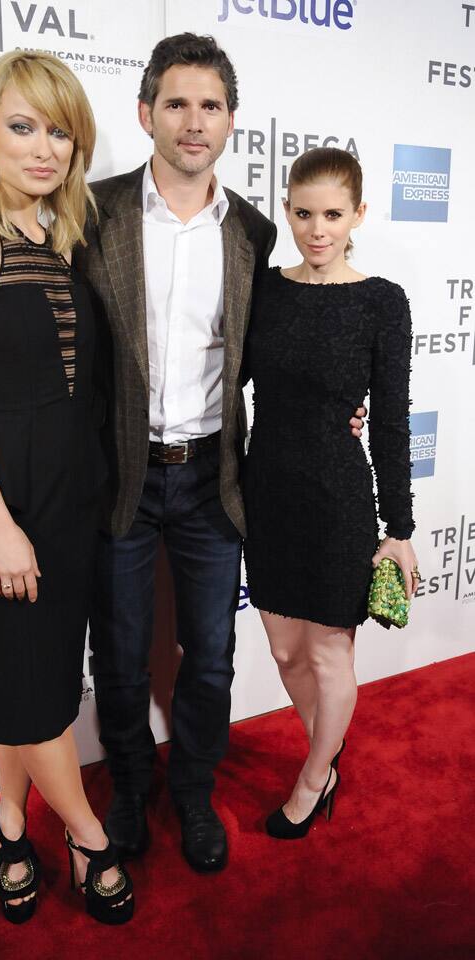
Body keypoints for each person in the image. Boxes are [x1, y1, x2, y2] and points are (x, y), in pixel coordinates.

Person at [78, 35, 367, 872]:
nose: (193, 121)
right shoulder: (92, 216)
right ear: (146, 114)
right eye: (176, 103)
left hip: (214, 479)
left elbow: (286, 340)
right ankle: (133, 789)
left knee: (211, 655)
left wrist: (336, 414)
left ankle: (195, 795)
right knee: (123, 655)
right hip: (122, 477)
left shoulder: (254, 229)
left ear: (232, 121)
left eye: (210, 106)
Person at [0, 51, 133, 925]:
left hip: (70, 505)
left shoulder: (65, 236)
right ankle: (86, 833)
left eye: (59, 130)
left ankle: (11, 820)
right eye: (23, 125)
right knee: (33, 693)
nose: (43, 147)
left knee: (32, 683)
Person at [242, 147, 420, 839]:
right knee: (286, 651)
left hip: (338, 499)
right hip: (267, 492)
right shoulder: (266, 291)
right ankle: (328, 749)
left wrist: (397, 526)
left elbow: (394, 420)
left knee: (328, 653)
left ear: (359, 215)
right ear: (287, 211)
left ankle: (315, 777)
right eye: (304, 213)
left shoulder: (382, 302)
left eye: (334, 215)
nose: (318, 229)